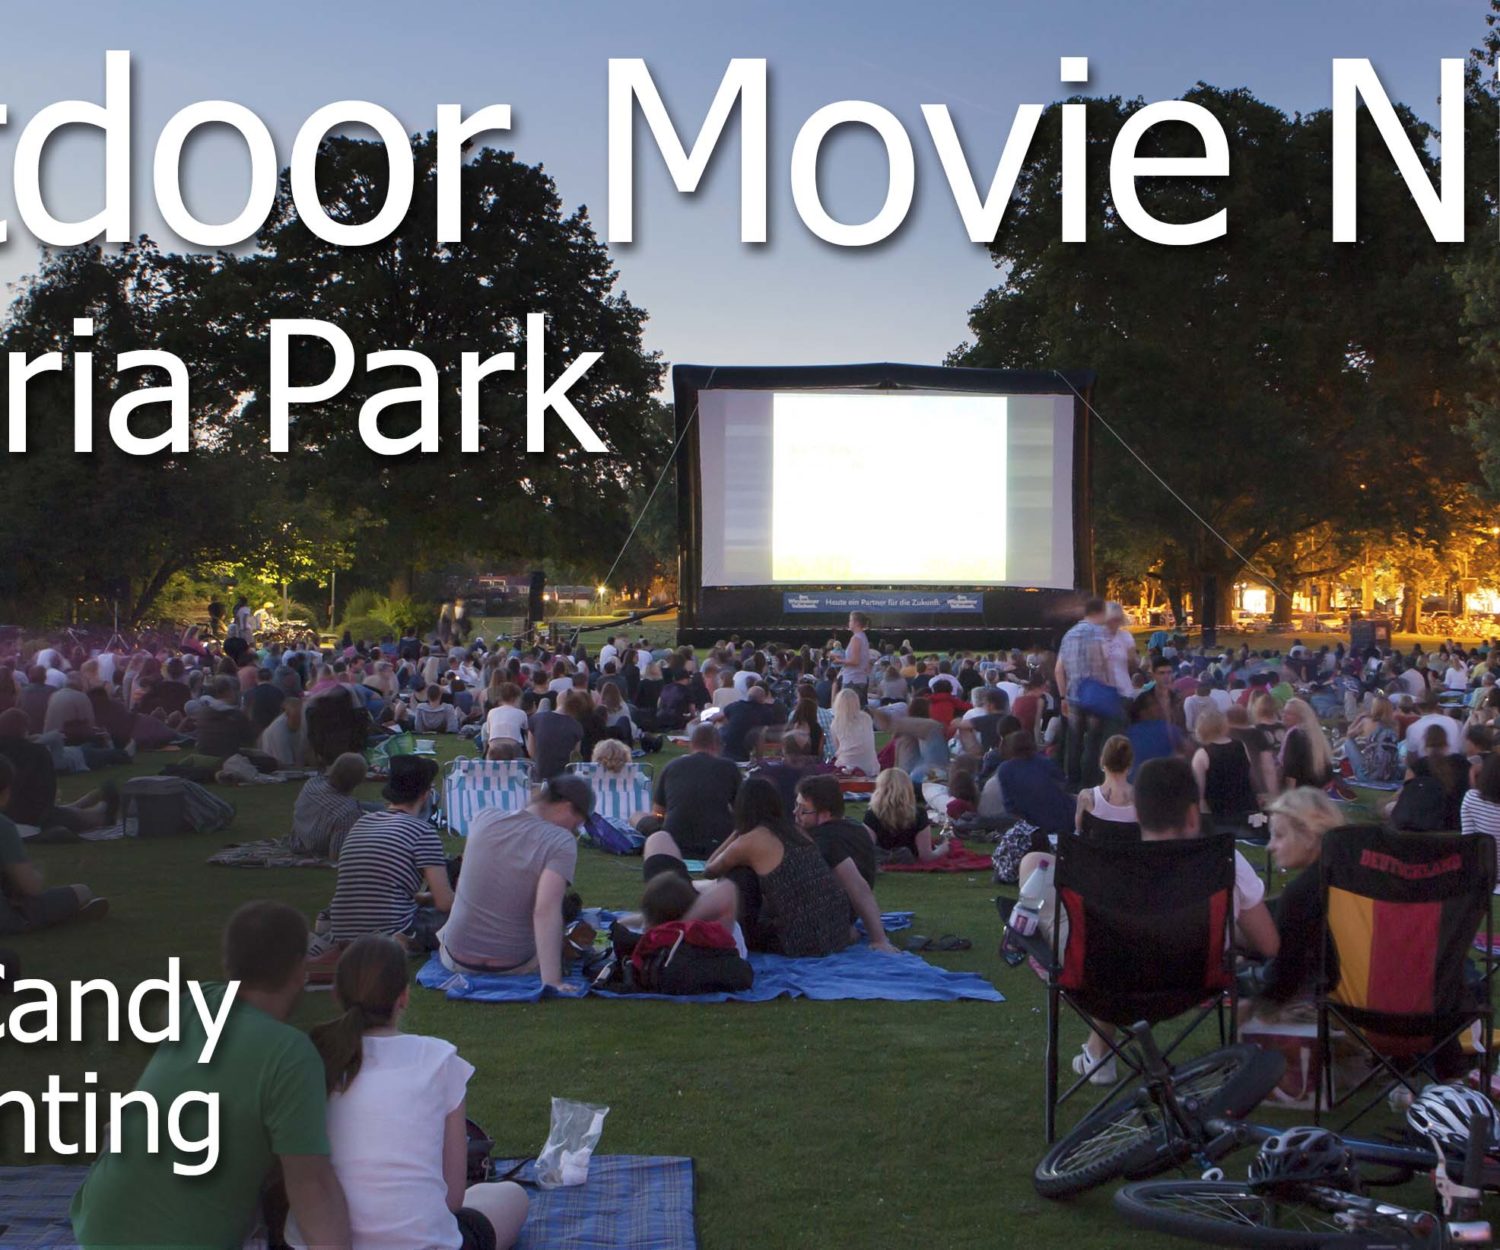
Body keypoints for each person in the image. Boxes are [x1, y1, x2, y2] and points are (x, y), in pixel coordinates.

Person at [70, 901, 353, 1248]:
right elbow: (312, 1188)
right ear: (301, 969)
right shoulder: (290, 1055)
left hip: (95, 1229)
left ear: (227, 964)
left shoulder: (195, 1002)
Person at [1019, 756, 1279, 1085]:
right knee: (1130, 938)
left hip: (1102, 979)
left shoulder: (1106, 858)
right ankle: (1098, 1053)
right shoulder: (1225, 861)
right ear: (1191, 812)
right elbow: (1269, 944)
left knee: (1034, 866)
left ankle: (1098, 1054)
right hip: (1192, 980)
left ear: (1137, 812)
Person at [301, 934, 532, 1249]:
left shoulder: (307, 1062)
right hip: (423, 1241)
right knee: (510, 1195)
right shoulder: (438, 1061)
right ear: (404, 997)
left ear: (337, 994)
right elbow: (452, 1199)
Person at [662, 777, 851, 957]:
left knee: (739, 874)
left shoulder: (752, 839)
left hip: (802, 940)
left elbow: (710, 869)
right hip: (835, 932)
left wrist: (737, 833)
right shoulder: (797, 832)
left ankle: (702, 929)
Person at [437, 775, 592, 986]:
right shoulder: (560, 841)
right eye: (576, 825)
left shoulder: (483, 817)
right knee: (564, 918)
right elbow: (545, 911)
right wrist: (553, 982)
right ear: (566, 807)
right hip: (514, 964)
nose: (574, 831)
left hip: (455, 958)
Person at [329, 756, 454, 949]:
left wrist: (424, 897)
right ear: (425, 794)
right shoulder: (422, 832)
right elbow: (445, 903)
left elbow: (371, 884)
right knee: (468, 918)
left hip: (343, 930)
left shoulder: (363, 822)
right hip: (393, 932)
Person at [1250, 788, 1346, 1007]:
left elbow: (1285, 978)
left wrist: (1254, 1005)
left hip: (1339, 1006)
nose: (1270, 846)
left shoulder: (1303, 892)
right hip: (1389, 994)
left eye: (1279, 835)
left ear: (1310, 837)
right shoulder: (1356, 871)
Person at [0, 755, 108, 933]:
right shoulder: (4, 827)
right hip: (7, 919)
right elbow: (30, 887)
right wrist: (37, 872)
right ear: (5, 792)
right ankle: (67, 913)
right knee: (82, 891)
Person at [793, 773, 896, 953]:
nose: (796, 813)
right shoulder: (854, 827)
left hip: (826, 922)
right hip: (844, 916)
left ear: (824, 814)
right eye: (796, 806)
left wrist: (879, 939)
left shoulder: (826, 840)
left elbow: (857, 886)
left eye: (803, 810)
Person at [647, 722, 740, 856]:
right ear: (717, 745)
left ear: (691, 744)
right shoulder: (729, 768)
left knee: (638, 817)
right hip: (717, 845)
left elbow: (658, 812)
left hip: (675, 843)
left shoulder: (672, 766)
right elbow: (742, 811)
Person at [1054, 597, 1115, 788]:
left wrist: (1063, 696)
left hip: (1072, 696)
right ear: (1100, 612)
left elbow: (1059, 669)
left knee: (1075, 740)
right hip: (1095, 695)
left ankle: (1072, 782)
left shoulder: (1069, 635)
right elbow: (1107, 663)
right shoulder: (1100, 634)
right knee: (1094, 741)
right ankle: (1090, 783)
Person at [291, 753, 375, 860]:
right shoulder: (347, 812)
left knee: (375, 807)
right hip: (316, 848)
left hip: (299, 838)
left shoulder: (311, 784)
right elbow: (337, 856)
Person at [1191, 705, 1261, 828]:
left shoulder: (1202, 754)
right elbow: (1249, 773)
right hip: (1246, 804)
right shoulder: (1240, 746)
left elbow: (1199, 791)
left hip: (1219, 810)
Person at [863, 767, 951, 863]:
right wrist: (943, 848)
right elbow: (926, 856)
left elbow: (866, 851)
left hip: (883, 856)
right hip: (910, 858)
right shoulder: (918, 814)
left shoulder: (872, 814)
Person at [995, 731, 1075, 835]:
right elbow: (1063, 785)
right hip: (1064, 820)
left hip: (1034, 823)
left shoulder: (1005, 769)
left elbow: (1010, 806)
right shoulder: (1046, 762)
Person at [1074, 734, 1138, 840]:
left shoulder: (1087, 798)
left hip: (1095, 855)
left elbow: (1078, 833)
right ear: (1130, 764)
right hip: (1130, 856)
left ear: (1102, 761)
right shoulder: (1142, 800)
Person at [526, 689, 588, 780]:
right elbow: (575, 756)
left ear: (557, 700)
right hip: (564, 777)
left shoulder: (536, 719)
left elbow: (531, 752)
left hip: (540, 775)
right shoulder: (576, 726)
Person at [1461, 753, 1500, 889]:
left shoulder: (1471, 799)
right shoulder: (1472, 799)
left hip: (1482, 871)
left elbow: (1467, 841)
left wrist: (1472, 774)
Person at [1278, 698, 1334, 792]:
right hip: (1317, 791)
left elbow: (1291, 771)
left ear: (1300, 716)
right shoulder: (1316, 734)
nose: (1283, 716)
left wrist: (1290, 797)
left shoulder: (1294, 735)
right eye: (1283, 712)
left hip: (1301, 793)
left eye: (1289, 713)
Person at [827, 688, 879, 776]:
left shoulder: (836, 724)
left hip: (846, 766)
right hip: (871, 768)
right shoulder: (867, 718)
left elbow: (837, 747)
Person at [838, 611, 873, 703]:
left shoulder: (856, 638)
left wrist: (839, 660)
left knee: (847, 711)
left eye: (850, 620)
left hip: (852, 681)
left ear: (856, 623)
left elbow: (855, 661)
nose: (848, 623)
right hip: (860, 679)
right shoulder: (863, 637)